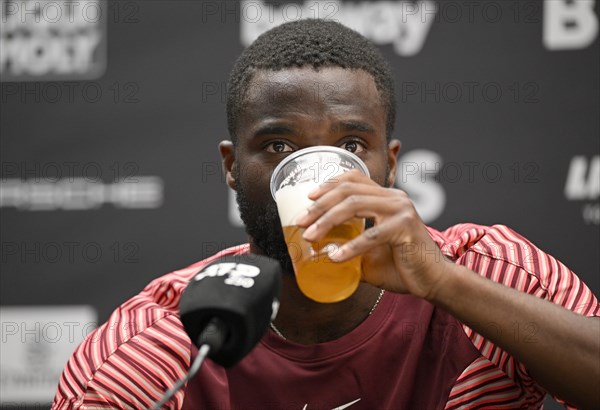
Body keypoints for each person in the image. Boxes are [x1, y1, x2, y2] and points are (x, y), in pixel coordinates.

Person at [52, 19, 599, 410]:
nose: (317, 181)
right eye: (279, 147)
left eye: (352, 145)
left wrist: (445, 283)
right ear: (231, 166)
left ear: (390, 163)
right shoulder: (167, 339)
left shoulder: (489, 272)